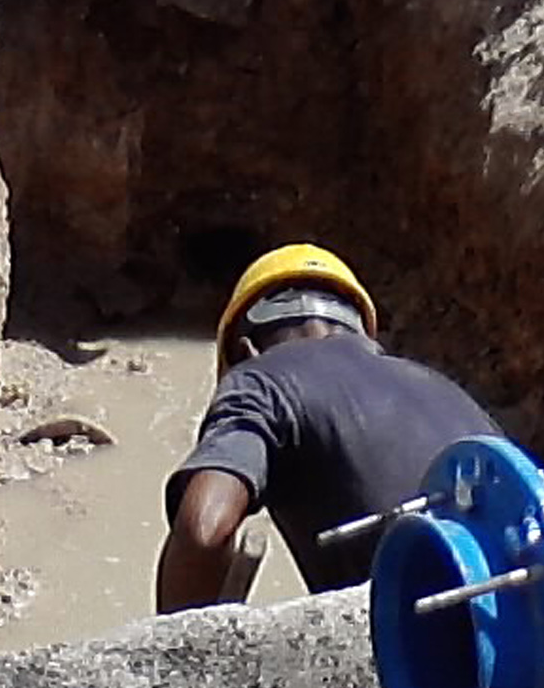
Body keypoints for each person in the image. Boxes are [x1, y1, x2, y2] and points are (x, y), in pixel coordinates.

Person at [157, 245, 497, 609]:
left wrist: (177, 654)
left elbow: (203, 532)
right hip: (534, 631)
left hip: (425, 651)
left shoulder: (260, 379)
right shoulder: (446, 389)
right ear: (365, 336)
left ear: (245, 352)